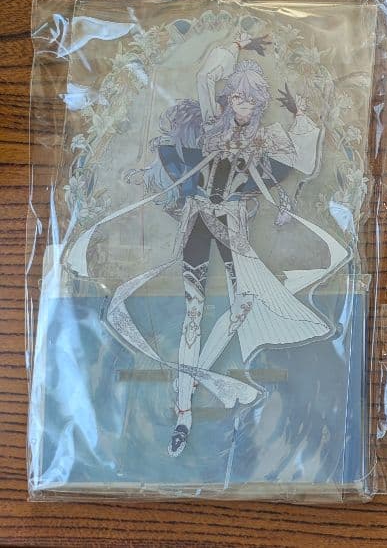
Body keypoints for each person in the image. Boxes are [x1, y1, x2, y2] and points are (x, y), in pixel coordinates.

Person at [66, 55, 348, 457]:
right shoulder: (210, 127)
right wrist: (232, 48)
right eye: (236, 98)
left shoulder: (266, 138)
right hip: (198, 221)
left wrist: (301, 116)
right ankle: (183, 413)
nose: (242, 106)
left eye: (250, 100)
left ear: (259, 104)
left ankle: (194, 376)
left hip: (234, 226)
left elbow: (301, 163)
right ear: (228, 99)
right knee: (194, 312)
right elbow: (197, 97)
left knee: (242, 306)